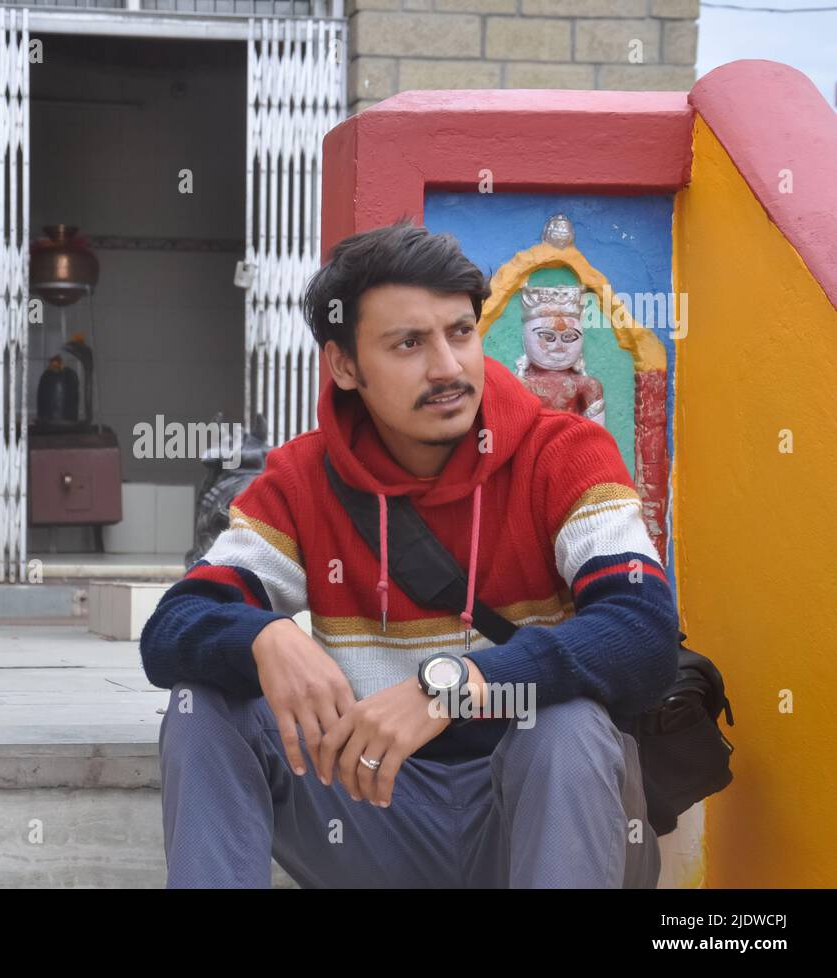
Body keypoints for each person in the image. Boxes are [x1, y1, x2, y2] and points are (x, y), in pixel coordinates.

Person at [139, 218, 679, 888]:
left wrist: (457, 689)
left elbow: (644, 630)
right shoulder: (303, 479)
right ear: (343, 366)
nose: (448, 367)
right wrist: (264, 635)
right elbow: (171, 627)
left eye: (460, 332)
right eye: (408, 344)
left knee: (565, 726)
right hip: (372, 810)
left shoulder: (563, 454)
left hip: (530, 818)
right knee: (205, 705)